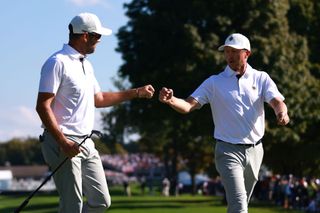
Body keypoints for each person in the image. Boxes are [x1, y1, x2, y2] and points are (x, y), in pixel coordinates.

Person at [36, 12, 155, 213]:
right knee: (72, 206)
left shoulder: (86, 65)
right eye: (97, 37)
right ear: (85, 36)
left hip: (85, 142)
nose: (99, 41)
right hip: (61, 141)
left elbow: (98, 99)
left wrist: (136, 93)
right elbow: (42, 106)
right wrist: (63, 142)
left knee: (101, 201)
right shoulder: (57, 62)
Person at [159, 33, 290, 213]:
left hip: (255, 151)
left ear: (247, 54)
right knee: (239, 205)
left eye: (234, 52)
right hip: (227, 151)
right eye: (226, 51)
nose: (229, 56)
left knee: (240, 204)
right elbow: (189, 105)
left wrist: (281, 112)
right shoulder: (214, 82)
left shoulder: (261, 78)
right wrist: (171, 100)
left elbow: (276, 101)